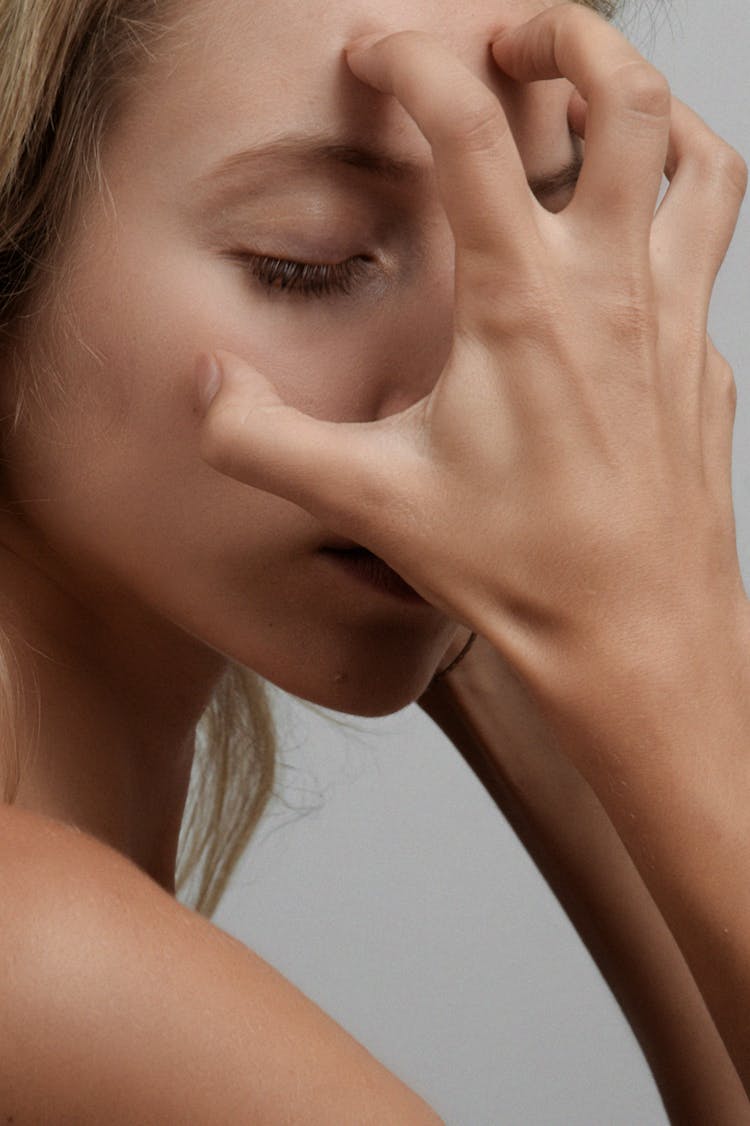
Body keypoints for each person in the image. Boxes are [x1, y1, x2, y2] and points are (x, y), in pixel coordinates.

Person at [0, 0, 748, 1120]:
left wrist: (565, 649)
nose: (485, 398)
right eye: (311, 257)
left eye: (526, 240)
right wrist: (665, 644)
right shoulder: (39, 959)